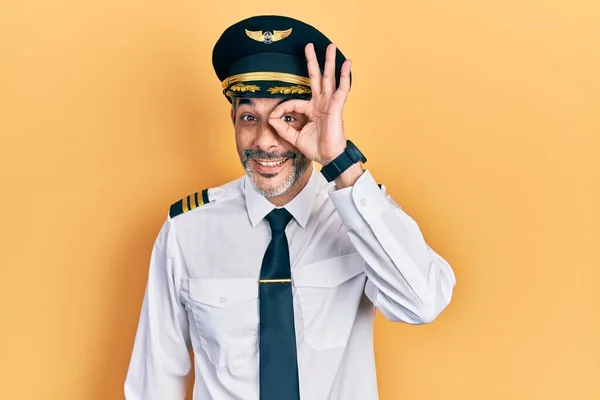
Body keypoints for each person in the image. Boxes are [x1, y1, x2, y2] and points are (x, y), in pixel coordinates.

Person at [124, 14, 456, 400]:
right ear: (232, 118)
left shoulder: (362, 216)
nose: (265, 141)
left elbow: (423, 303)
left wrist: (340, 162)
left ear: (315, 122)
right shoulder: (187, 229)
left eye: (289, 118)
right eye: (250, 117)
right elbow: (155, 381)